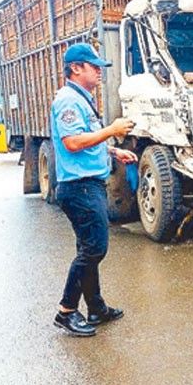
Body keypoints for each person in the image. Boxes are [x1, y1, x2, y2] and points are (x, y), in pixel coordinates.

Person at [50, 43, 137, 337]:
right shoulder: (68, 101)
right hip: (80, 188)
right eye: (94, 66)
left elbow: (85, 140)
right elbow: (72, 143)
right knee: (93, 249)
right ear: (76, 68)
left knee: (89, 248)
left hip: (87, 184)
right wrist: (112, 129)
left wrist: (112, 151)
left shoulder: (80, 98)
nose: (99, 72)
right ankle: (66, 311)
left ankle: (96, 308)